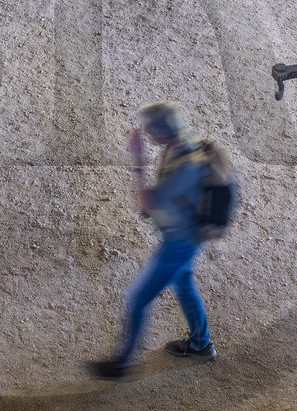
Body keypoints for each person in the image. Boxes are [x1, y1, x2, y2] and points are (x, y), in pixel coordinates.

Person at [88, 103, 217, 378]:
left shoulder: (183, 167)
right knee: (184, 286)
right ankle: (201, 344)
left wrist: (137, 161)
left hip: (180, 243)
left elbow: (147, 205)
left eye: (148, 128)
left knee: (137, 299)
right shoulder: (180, 148)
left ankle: (121, 364)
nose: (144, 132)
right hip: (187, 236)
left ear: (161, 131)